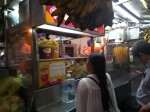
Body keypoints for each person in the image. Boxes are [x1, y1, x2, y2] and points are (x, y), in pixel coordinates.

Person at [131, 40, 150, 112]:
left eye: (137, 58)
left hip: (144, 107)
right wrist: (143, 73)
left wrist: (145, 108)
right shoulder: (148, 66)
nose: (138, 61)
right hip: (139, 101)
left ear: (141, 55)